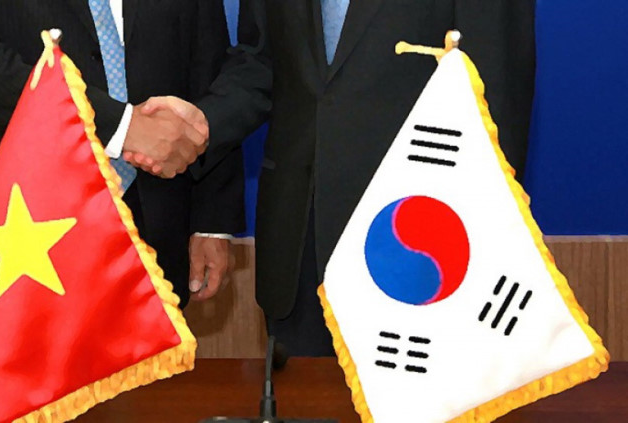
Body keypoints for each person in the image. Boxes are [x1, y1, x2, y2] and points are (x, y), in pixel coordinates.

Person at [135, 0, 536, 356]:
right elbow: (260, 62)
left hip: (420, 249)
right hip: (299, 250)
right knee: (301, 404)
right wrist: (203, 124)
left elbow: (496, 89)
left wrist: (483, 245)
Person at [0, 0, 266, 351]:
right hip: (19, 238)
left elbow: (207, 64)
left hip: (156, 234)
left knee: (155, 388)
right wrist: (124, 127)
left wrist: (211, 220)